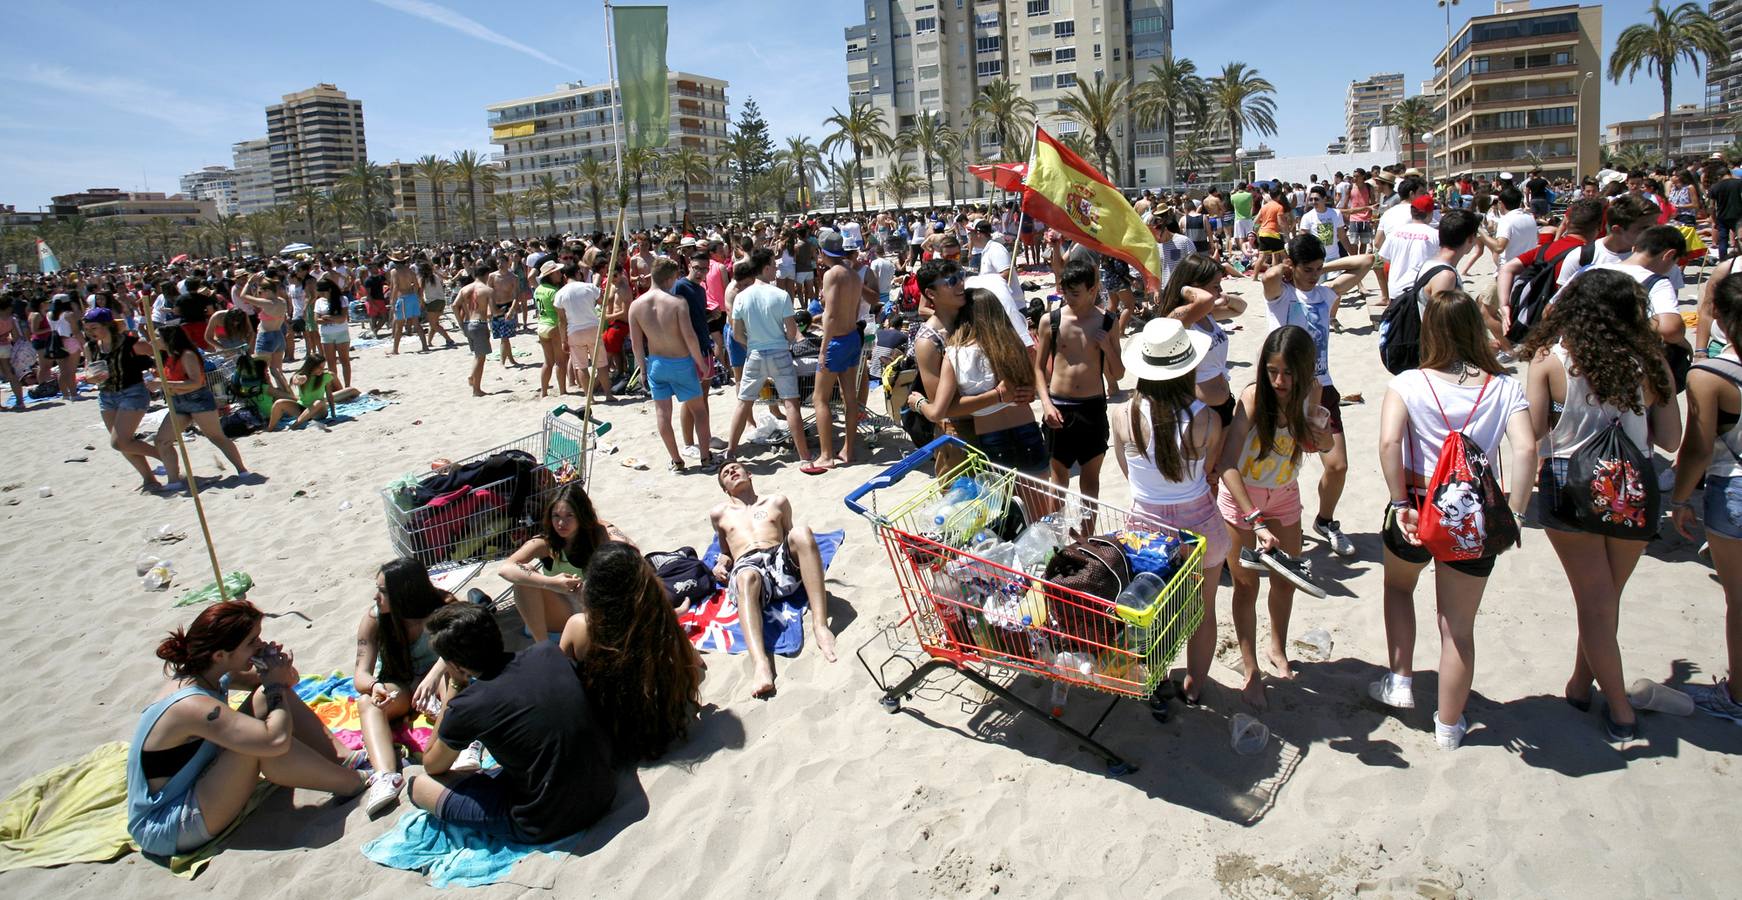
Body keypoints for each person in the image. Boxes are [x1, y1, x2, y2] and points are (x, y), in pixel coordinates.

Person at [1523, 268, 1682, 741]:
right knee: (1604, 599)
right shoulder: (1651, 362)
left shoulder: (1550, 358)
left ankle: (1620, 711)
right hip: (1633, 489)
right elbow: (1670, 438)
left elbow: (1532, 433)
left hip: (1569, 487)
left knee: (1594, 601)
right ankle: (1578, 683)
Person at [1372, 290, 1535, 750]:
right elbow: (1525, 449)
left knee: (1399, 588)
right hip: (1474, 517)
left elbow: (1388, 444)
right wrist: (1516, 514)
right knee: (1457, 627)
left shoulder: (1408, 383)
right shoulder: (1504, 387)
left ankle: (1400, 678)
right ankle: (1448, 726)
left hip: (1418, 507)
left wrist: (1399, 501)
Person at [127, 601, 368, 858]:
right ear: (220, 655)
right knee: (259, 743)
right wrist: (274, 685)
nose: (260, 644)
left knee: (267, 698)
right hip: (167, 823)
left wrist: (276, 669)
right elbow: (275, 741)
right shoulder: (191, 704)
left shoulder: (211, 673)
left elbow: (287, 683)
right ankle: (355, 783)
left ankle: (345, 758)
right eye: (252, 641)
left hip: (196, 786)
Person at [407, 604, 616, 843]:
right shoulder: (547, 652)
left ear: (456, 666)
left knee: (419, 786)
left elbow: (432, 765)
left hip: (548, 819)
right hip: (605, 787)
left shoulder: (468, 706)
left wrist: (455, 686)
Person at [1110, 317, 1224, 706]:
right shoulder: (1208, 419)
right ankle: (1194, 684)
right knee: (1203, 610)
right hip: (1200, 524)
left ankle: (1154, 678)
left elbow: (1129, 474)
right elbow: (1209, 473)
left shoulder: (1122, 414)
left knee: (1150, 611)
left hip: (1146, 528)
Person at [1217, 325, 1331, 708]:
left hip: (1284, 497)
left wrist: (1321, 433)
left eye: (1287, 372)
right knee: (1246, 587)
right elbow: (1226, 463)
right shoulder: (1252, 398)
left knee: (1286, 581)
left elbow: (1322, 446)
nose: (1279, 381)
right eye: (1271, 370)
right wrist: (1254, 518)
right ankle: (1251, 670)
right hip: (1241, 499)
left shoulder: (1312, 392)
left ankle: (1277, 647)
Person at [1261, 235, 1375, 557]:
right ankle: (1274, 525)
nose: (1314, 275)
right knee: (1277, 467)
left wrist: (1326, 267)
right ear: (1292, 266)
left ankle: (1324, 521)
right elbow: (1267, 277)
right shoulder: (1281, 296)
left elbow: (1366, 263)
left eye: (1317, 268)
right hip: (1283, 391)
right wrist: (1285, 267)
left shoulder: (1326, 292)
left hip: (1322, 388)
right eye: (1307, 269)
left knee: (1337, 465)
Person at [557, 542, 705, 760]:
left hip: (610, 732)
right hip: (659, 723)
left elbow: (557, 680)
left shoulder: (580, 626)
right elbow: (696, 666)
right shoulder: (657, 620)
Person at [1671, 273, 1742, 721]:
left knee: (1738, 599)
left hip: (1733, 483)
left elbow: (1697, 447)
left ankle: (1736, 694)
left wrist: (1679, 499)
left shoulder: (1712, 374)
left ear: (1720, 319)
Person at [709, 461, 838, 698]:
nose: (732, 472)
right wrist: (720, 563)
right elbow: (725, 551)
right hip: (748, 564)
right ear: (725, 489)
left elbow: (790, 535)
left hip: (779, 559)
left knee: (801, 531)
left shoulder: (776, 501)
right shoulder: (720, 514)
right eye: (726, 474)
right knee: (746, 577)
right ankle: (761, 663)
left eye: (736, 468)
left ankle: (820, 625)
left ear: (749, 474)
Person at [353, 559, 459, 815]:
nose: (376, 597)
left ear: (406, 592)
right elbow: (360, 674)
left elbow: (459, 650)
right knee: (367, 702)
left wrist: (431, 678)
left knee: (450, 675)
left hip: (438, 680)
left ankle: (462, 746)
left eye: (383, 591)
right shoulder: (375, 618)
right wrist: (375, 685)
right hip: (399, 682)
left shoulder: (444, 608)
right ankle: (386, 775)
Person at [1035, 257, 1129, 508]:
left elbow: (1118, 373)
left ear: (1092, 290)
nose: (1069, 299)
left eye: (1075, 293)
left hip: (1092, 407)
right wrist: (1046, 405)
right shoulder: (1050, 321)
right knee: (1058, 480)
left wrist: (1107, 348)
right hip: (1059, 407)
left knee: (1090, 482)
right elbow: (1038, 368)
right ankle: (1055, 540)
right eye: (1066, 292)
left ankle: (1086, 541)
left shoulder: (1108, 321)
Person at [932, 287, 1046, 475]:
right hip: (1027, 427)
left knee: (1006, 502)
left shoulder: (955, 354)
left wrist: (996, 397)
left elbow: (947, 409)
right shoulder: (1014, 344)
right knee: (1043, 501)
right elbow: (1029, 387)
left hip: (991, 434)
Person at [500, 481, 630, 642]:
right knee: (523, 577)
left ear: (581, 514)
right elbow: (505, 568)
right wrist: (550, 582)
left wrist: (591, 588)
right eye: (556, 516)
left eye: (569, 515)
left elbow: (631, 553)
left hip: (592, 604)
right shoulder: (544, 543)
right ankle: (543, 647)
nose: (561, 523)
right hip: (559, 610)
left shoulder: (598, 532)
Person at [725, 249, 815, 468]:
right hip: (779, 352)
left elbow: (737, 334)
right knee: (791, 403)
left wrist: (753, 343)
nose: (776, 269)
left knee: (744, 403)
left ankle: (730, 453)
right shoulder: (780, 295)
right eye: (773, 266)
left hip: (754, 353)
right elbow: (792, 332)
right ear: (765, 268)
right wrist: (781, 341)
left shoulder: (741, 297)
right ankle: (804, 456)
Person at [632, 257, 717, 472]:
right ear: (670, 279)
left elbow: (637, 345)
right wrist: (701, 362)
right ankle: (706, 458)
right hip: (681, 362)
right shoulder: (677, 303)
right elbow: (690, 337)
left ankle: (676, 460)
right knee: (699, 411)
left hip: (656, 364)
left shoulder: (636, 306)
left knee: (663, 415)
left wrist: (642, 370)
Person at [153, 324, 250, 488]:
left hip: (197, 399)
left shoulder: (188, 355)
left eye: (157, 336)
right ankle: (173, 481)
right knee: (162, 440)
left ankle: (242, 470)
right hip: (178, 402)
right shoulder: (166, 356)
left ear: (168, 339)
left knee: (216, 437)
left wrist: (164, 383)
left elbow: (196, 382)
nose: (153, 340)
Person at [81, 308, 164, 490]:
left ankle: (163, 455)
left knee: (119, 442)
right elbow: (88, 373)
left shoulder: (131, 343)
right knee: (125, 443)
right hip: (106, 395)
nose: (90, 333)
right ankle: (149, 479)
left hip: (132, 392)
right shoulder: (91, 347)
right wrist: (92, 378)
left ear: (108, 325)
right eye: (87, 329)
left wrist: (157, 374)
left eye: (94, 328)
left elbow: (159, 355)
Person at [813, 231, 866, 468]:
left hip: (836, 340)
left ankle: (826, 455)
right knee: (849, 396)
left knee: (820, 398)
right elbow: (852, 311)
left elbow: (831, 315)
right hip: (852, 336)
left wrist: (823, 350)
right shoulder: (853, 274)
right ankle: (849, 449)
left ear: (823, 252)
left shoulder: (832, 274)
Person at [265, 353, 359, 430]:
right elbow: (295, 380)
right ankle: (270, 429)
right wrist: (300, 379)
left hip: (319, 411)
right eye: (320, 367)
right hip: (302, 408)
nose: (322, 370)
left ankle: (295, 425)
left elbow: (329, 396)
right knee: (279, 403)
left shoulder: (325, 376)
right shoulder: (301, 375)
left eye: (323, 367)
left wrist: (333, 414)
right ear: (311, 366)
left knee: (319, 401)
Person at [452, 266, 495, 396]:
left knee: (477, 355)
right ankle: (476, 389)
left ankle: (472, 377)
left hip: (468, 324)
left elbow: (454, 305)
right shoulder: (487, 290)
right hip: (479, 324)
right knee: (481, 358)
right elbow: (492, 312)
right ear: (486, 275)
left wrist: (460, 323)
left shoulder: (465, 289)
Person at [531, 261, 569, 398]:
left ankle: (544, 391)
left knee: (547, 362)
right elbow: (561, 316)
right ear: (551, 275)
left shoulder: (538, 289)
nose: (560, 274)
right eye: (558, 272)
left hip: (541, 326)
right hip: (553, 326)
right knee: (560, 361)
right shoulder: (554, 292)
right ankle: (563, 390)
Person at [311, 278, 354, 389]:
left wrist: (328, 318)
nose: (319, 293)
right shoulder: (319, 302)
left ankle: (347, 385)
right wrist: (334, 318)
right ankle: (336, 386)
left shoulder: (342, 299)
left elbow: (343, 319)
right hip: (326, 335)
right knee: (331, 363)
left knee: (345, 360)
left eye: (321, 291)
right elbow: (316, 320)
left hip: (341, 333)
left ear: (328, 290)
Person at [485, 256, 522, 368]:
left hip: (508, 306)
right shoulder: (492, 276)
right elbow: (488, 293)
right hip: (496, 307)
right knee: (503, 336)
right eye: (498, 263)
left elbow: (516, 296)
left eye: (502, 262)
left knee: (504, 336)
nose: (500, 265)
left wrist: (512, 310)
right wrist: (489, 309)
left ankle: (502, 361)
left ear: (507, 263)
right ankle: (511, 359)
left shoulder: (513, 277)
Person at [418, 261, 457, 349]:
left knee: (434, 324)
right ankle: (429, 342)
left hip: (432, 302)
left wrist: (421, 304)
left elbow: (420, 293)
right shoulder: (435, 276)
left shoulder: (423, 279)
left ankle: (449, 340)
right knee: (434, 323)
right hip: (441, 301)